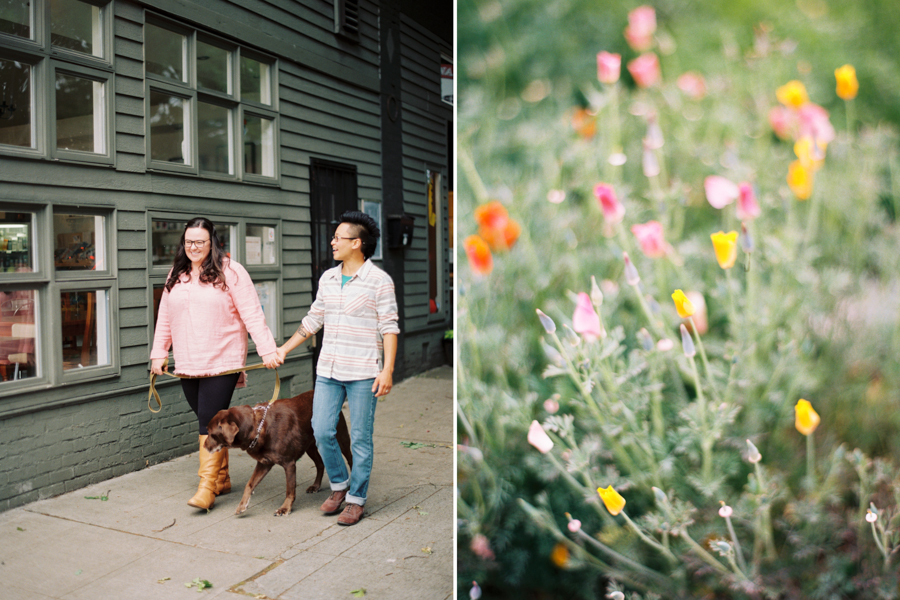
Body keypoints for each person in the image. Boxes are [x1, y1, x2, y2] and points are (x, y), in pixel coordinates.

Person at [150, 217, 282, 510]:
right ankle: (222, 477)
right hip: (187, 360)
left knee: (206, 420)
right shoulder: (177, 274)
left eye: (200, 242)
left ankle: (207, 487)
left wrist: (267, 349)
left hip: (222, 360)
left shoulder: (231, 272)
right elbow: (165, 318)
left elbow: (252, 313)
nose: (193, 247)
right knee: (207, 419)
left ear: (212, 243)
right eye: (188, 242)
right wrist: (159, 352)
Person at [276, 210, 399, 526]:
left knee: (359, 438)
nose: (332, 242)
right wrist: (284, 350)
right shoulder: (328, 279)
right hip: (328, 369)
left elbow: (389, 328)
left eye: (338, 238)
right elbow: (313, 320)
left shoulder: (379, 281)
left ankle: (356, 500)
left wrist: (386, 370)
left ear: (357, 243)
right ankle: (340, 484)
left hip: (362, 371)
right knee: (321, 430)